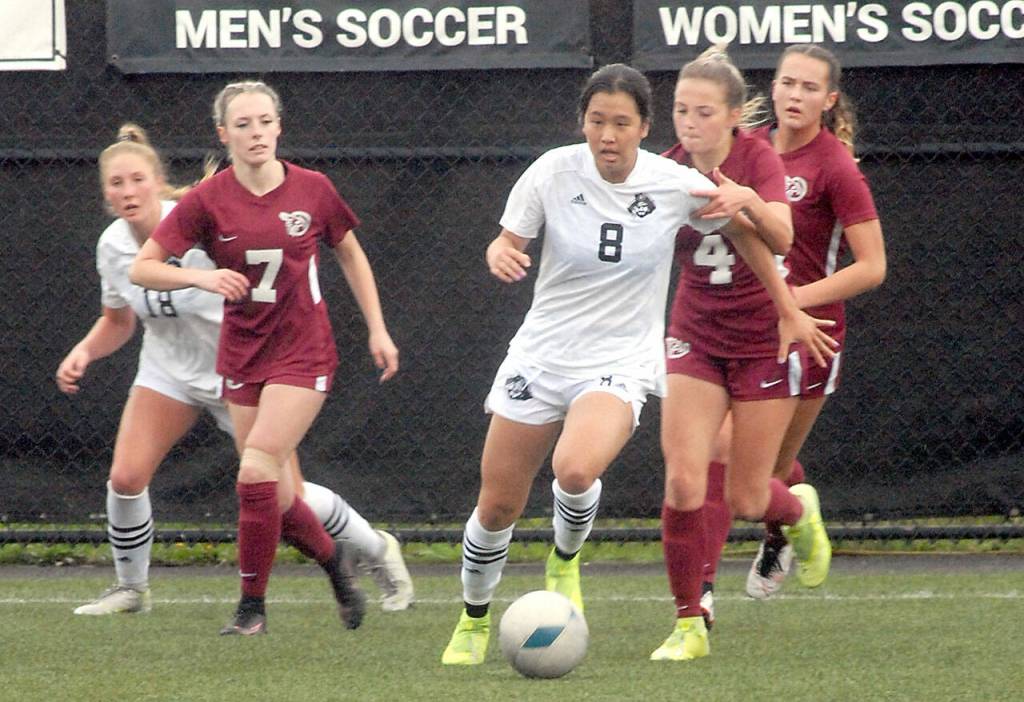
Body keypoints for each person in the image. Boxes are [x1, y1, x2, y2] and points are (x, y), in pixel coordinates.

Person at [440, 62, 827, 666]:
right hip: (540, 355)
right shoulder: (551, 171)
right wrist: (500, 252)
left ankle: (565, 559)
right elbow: (508, 240)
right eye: (597, 122)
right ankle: (472, 619)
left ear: (644, 128)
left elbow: (755, 239)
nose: (608, 136)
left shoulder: (674, 182)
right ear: (583, 124)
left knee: (574, 469)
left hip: (619, 362)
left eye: (622, 123)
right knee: (496, 507)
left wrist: (787, 307)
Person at [59, 124, 412, 618]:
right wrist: (85, 350)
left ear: (158, 182)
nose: (127, 191)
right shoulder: (114, 246)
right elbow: (119, 321)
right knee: (125, 476)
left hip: (241, 368)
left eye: (137, 179)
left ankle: (375, 549)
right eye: (116, 183)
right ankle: (131, 589)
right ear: (105, 193)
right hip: (170, 373)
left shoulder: (202, 220)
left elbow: (282, 282)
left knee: (288, 495)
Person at [649, 46, 838, 662]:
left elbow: (781, 236)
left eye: (703, 111)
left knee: (749, 498)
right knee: (683, 478)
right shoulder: (667, 169)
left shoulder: (756, 157)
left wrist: (746, 201)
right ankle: (689, 621)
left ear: (733, 116)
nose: (689, 122)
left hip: (761, 338)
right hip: (695, 334)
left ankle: (796, 513)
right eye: (680, 109)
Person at [735, 44, 886, 599]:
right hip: (743, 326)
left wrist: (794, 300)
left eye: (809, 87)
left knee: (753, 470)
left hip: (809, 336)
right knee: (736, 459)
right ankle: (794, 514)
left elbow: (872, 266)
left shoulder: (833, 165)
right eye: (787, 83)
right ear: (771, 88)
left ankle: (784, 525)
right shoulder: (747, 150)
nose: (796, 95)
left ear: (829, 99)